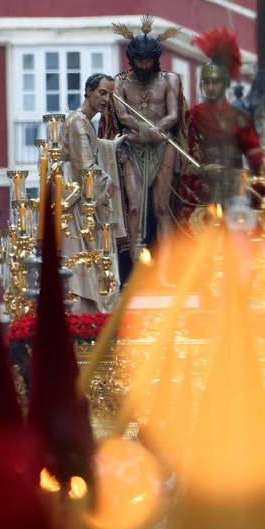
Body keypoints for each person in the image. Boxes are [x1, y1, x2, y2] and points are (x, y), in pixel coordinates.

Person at [109, 16, 185, 256]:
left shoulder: (170, 80)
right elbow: (123, 116)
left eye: (148, 60)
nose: (143, 66)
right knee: (134, 209)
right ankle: (135, 269)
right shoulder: (119, 83)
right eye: (139, 60)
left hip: (163, 146)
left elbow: (173, 114)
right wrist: (146, 131)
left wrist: (156, 131)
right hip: (133, 148)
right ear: (131, 59)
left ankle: (163, 272)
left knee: (162, 208)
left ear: (156, 59)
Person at [174, 28, 263, 220]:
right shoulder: (193, 116)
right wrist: (200, 169)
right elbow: (182, 155)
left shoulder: (241, 118)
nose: (211, 87)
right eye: (207, 82)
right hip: (202, 193)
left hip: (236, 195)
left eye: (216, 82)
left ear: (225, 84)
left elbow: (256, 157)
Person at [61, 73, 127, 311]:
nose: (107, 99)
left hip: (83, 202)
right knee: (85, 262)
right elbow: (83, 164)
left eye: (110, 94)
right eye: (102, 92)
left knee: (92, 263)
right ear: (88, 91)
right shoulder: (77, 121)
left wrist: (110, 146)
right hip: (79, 207)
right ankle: (84, 320)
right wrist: (107, 185)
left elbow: (92, 147)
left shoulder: (84, 123)